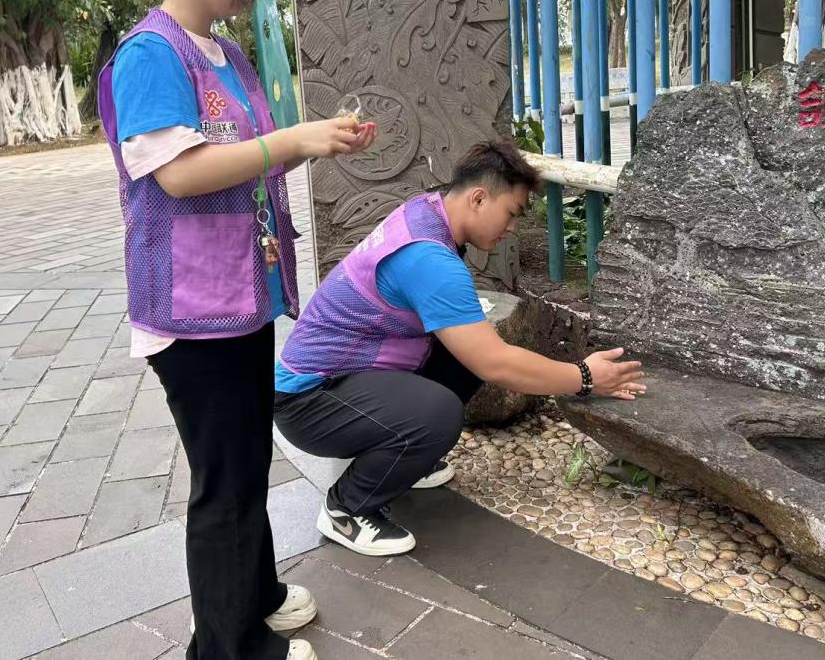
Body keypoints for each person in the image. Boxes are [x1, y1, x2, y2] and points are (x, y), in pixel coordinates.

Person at [99, 0, 377, 660]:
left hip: (240, 299)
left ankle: (256, 596)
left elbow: (248, 158)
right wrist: (292, 142)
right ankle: (228, 647)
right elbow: (180, 174)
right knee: (224, 483)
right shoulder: (151, 55)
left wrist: (316, 139)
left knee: (247, 463)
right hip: (192, 313)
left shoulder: (227, 54)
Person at [274, 140, 647, 558]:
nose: (512, 228)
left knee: (464, 354)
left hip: (345, 379)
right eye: (511, 213)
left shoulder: (426, 212)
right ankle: (347, 508)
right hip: (309, 403)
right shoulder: (428, 259)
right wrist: (585, 377)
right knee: (438, 412)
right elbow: (497, 365)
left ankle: (403, 459)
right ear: (479, 198)